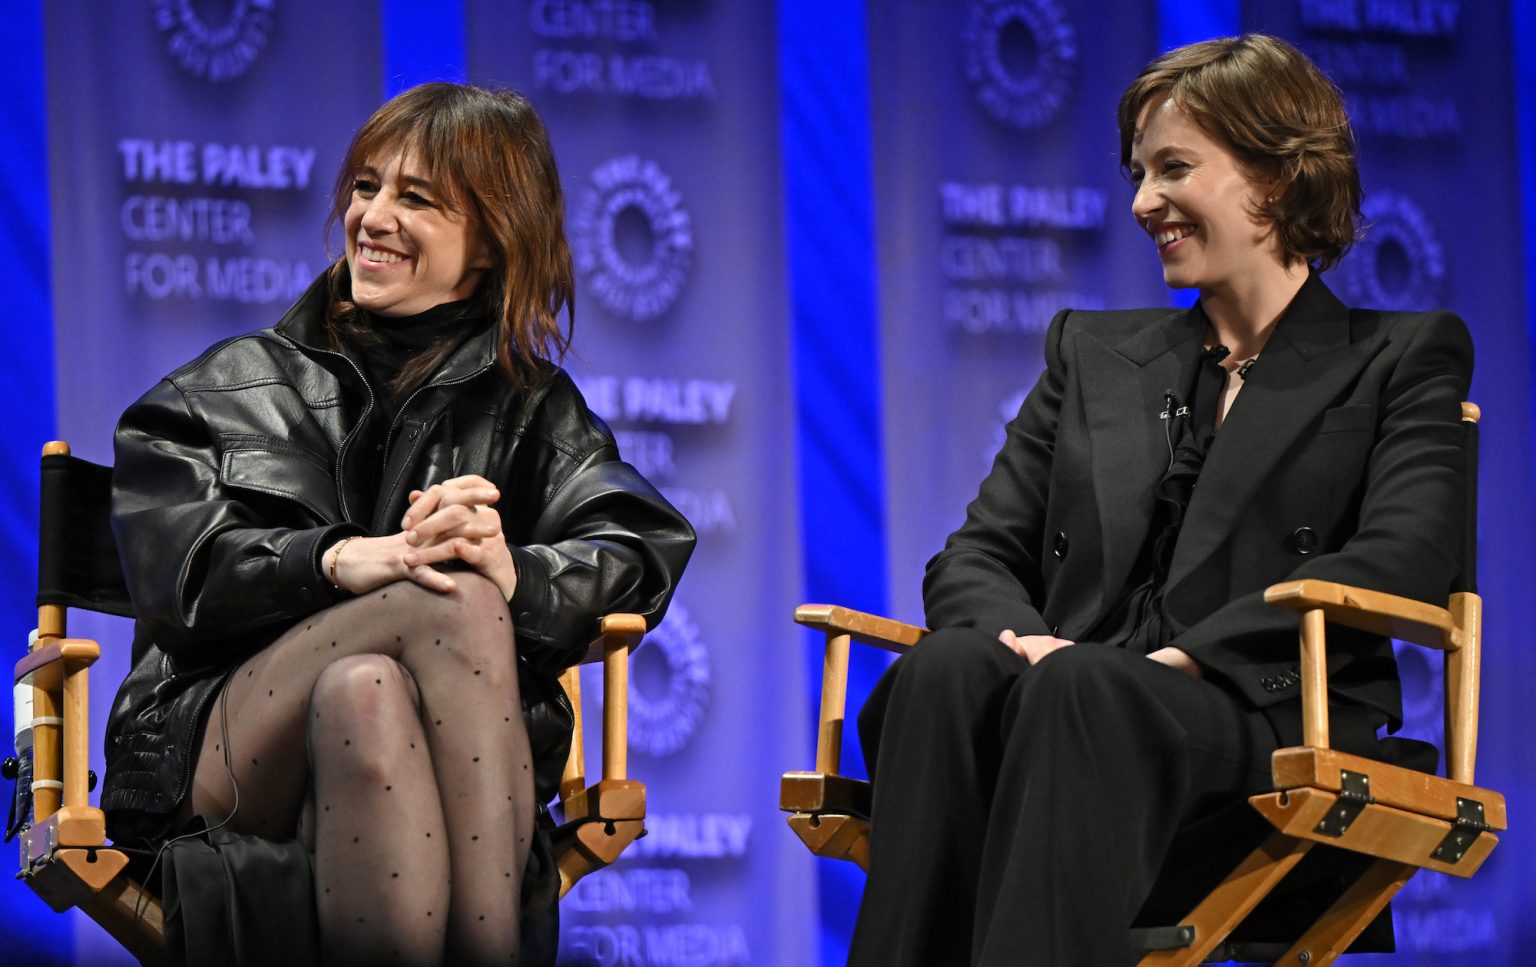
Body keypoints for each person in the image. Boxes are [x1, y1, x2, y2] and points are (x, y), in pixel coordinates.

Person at [849, 34, 1472, 966]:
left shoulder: (1400, 354)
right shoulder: (1091, 354)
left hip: (1249, 714)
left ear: (1278, 173)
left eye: (1174, 168)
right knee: (947, 672)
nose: (1143, 203)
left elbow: (1408, 556)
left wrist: (1185, 660)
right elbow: (975, 554)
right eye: (1138, 173)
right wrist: (1023, 642)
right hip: (1068, 696)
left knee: (1082, 687)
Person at [99, 82, 695, 966]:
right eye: (366, 186)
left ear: (494, 242)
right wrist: (339, 561)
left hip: (432, 764)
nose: (371, 216)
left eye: (415, 198)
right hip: (220, 748)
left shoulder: (532, 408)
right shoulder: (224, 386)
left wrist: (515, 570)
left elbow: (640, 547)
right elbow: (180, 573)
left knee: (367, 689)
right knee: (445, 594)